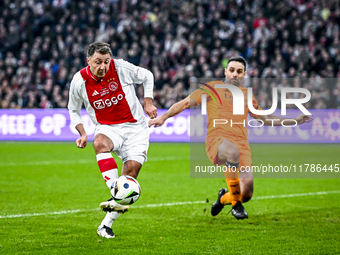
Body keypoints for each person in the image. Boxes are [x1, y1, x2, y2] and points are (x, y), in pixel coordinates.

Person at [149, 56, 313, 220]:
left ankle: (223, 198)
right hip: (217, 139)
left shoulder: (247, 95)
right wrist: (164, 117)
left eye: (239, 72)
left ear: (244, 75)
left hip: (242, 143)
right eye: (232, 70)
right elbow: (185, 103)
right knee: (232, 152)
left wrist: (295, 121)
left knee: (246, 192)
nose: (235, 74)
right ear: (226, 71)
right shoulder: (212, 88)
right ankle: (235, 204)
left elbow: (265, 118)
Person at [68, 42, 157, 238]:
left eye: (106, 62)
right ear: (88, 61)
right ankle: (116, 191)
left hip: (136, 128)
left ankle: (105, 225)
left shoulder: (120, 67)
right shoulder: (79, 81)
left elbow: (147, 76)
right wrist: (82, 133)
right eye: (98, 62)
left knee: (131, 172)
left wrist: (148, 102)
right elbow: (74, 110)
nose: (103, 67)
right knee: (99, 143)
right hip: (108, 127)